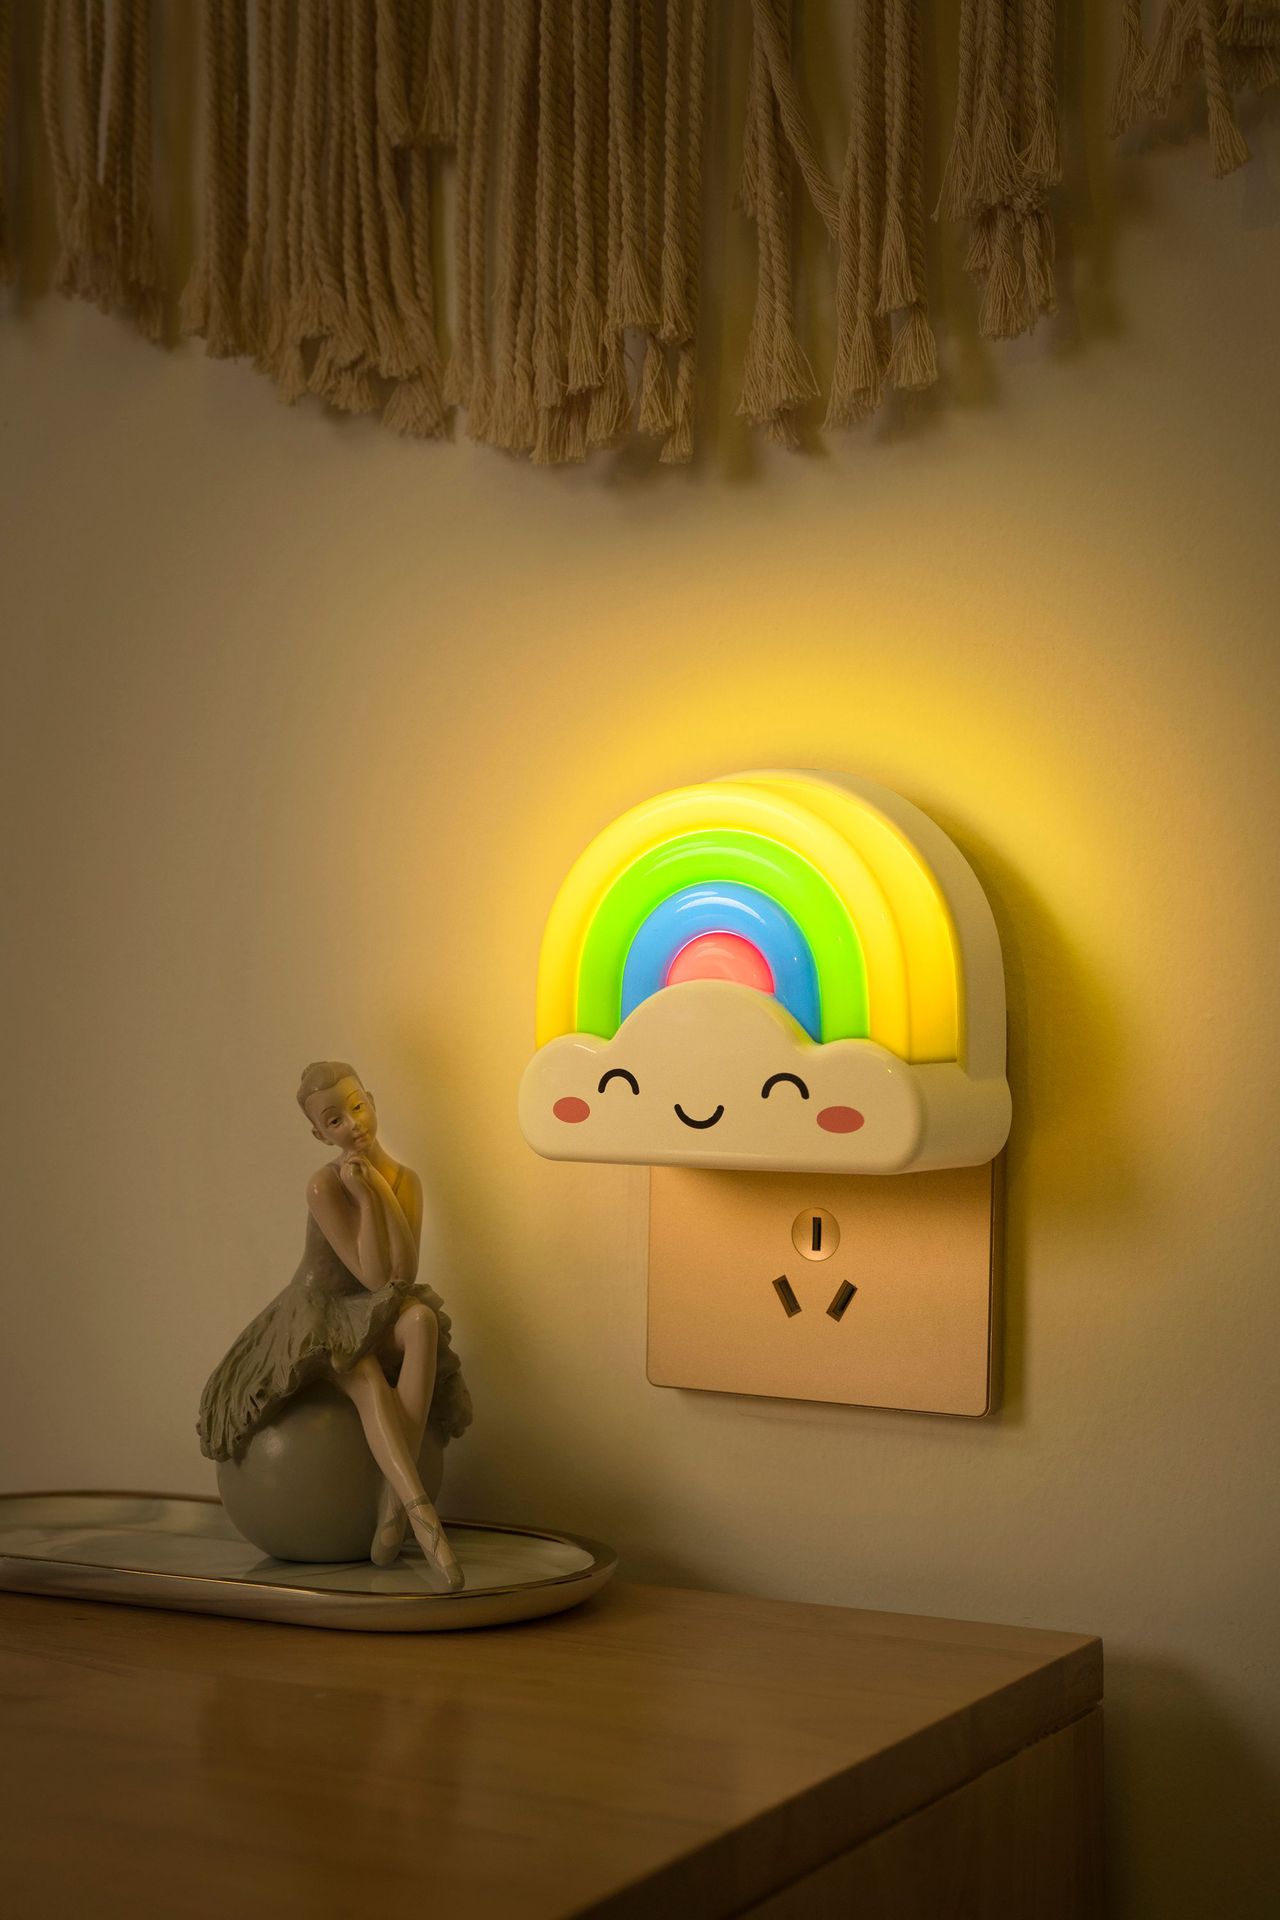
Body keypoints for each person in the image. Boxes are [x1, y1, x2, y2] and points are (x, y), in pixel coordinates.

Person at [197, 1061, 471, 1589]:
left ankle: (392, 1506)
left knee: (421, 1321)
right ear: (320, 1135)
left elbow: (401, 1277)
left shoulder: (406, 1181)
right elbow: (371, 1274)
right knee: (362, 1371)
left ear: (371, 1100)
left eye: (356, 1107)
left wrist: (378, 1192)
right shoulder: (324, 1186)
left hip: (376, 1308)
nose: (353, 1124)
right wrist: (363, 1196)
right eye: (334, 1121)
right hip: (319, 1312)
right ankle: (425, 1522)